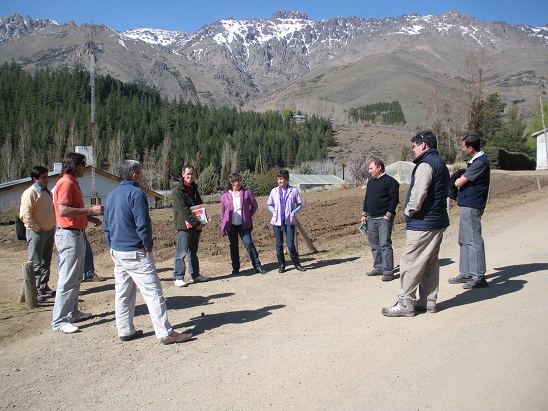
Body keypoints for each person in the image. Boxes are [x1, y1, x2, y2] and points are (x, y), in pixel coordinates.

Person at [103, 160, 192, 344]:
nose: (142, 176)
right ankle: (165, 332)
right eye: (141, 173)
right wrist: (147, 245)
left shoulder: (111, 195)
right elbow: (142, 223)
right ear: (134, 174)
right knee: (152, 291)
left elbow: (106, 224)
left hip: (117, 251)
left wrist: (111, 244)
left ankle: (125, 330)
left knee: (123, 292)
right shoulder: (136, 193)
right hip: (135, 251)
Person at [382, 131, 449, 317]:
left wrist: (409, 211)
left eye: (414, 146)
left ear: (423, 145)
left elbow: (419, 193)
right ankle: (428, 301)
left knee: (410, 262)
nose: (413, 150)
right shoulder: (440, 163)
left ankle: (405, 302)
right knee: (429, 263)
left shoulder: (426, 164)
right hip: (437, 220)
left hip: (423, 222)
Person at [51, 153, 103, 334]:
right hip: (69, 235)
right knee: (67, 279)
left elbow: (71, 209)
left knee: (75, 277)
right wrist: (90, 210)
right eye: (83, 164)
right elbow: (63, 210)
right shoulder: (66, 183)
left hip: (76, 234)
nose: (85, 168)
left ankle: (72, 313)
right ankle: (59, 321)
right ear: (75, 166)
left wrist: (88, 218)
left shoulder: (72, 183)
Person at [449, 134, 490, 289]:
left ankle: (478, 276)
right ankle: (466, 273)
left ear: (471, 148)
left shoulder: (480, 162)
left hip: (472, 205)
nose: (462, 149)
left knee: (473, 240)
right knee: (464, 239)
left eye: (463, 146)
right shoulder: (474, 161)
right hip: (466, 204)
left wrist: (455, 180)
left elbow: (459, 182)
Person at [19, 166, 56, 301]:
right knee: (35, 263)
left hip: (49, 231)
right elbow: (25, 214)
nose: (46, 180)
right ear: (35, 179)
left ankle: (43, 287)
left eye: (47, 177)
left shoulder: (47, 192)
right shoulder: (30, 193)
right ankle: (34, 291)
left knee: (46, 261)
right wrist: (36, 228)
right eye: (43, 177)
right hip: (37, 233)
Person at [220, 173, 267, 275]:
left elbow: (254, 205)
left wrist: (248, 215)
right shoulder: (225, 196)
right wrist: (224, 223)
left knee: (249, 244)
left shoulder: (247, 193)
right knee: (233, 246)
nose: (240, 182)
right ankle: (235, 268)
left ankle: (257, 266)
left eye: (240, 180)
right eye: (238, 181)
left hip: (244, 225)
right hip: (231, 225)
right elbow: (222, 211)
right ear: (232, 182)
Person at [361, 159, 400, 281]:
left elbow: (394, 199)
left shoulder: (390, 182)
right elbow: (367, 198)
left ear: (379, 168)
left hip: (384, 219)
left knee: (385, 244)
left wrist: (388, 214)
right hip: (371, 219)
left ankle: (388, 271)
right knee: (374, 245)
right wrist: (364, 214)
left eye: (371, 168)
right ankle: (378, 267)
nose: (369, 171)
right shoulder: (371, 183)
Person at [172, 165, 210, 287]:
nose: (190, 176)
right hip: (184, 226)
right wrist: (197, 223)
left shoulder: (194, 189)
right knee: (181, 253)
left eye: (192, 174)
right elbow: (184, 211)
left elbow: (199, 205)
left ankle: (195, 275)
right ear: (183, 174)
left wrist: (203, 220)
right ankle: (178, 277)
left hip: (196, 225)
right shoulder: (178, 192)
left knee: (193, 252)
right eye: (188, 174)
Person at [267, 169, 306, 272]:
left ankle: (297, 264)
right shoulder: (274, 191)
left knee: (290, 245)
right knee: (278, 244)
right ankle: (281, 265)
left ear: (286, 179)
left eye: (281, 179)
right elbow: (269, 204)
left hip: (289, 221)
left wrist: (293, 212)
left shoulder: (293, 191)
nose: (279, 181)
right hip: (277, 221)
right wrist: (274, 211)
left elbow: (299, 204)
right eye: (278, 179)